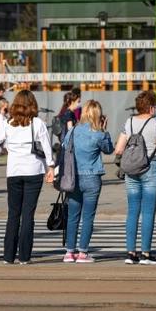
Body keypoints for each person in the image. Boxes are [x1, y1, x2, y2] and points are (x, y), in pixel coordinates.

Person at [0, 90, 54, 264]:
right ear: (33, 104)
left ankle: (8, 256)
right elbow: (47, 147)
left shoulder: (8, 123)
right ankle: (24, 256)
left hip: (14, 172)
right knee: (28, 214)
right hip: (34, 171)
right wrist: (51, 167)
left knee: (13, 214)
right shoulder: (37, 123)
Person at [115, 91, 156, 265]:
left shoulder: (129, 122)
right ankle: (145, 254)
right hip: (151, 168)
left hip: (131, 170)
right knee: (148, 212)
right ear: (152, 107)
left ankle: (130, 253)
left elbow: (118, 149)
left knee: (132, 211)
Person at [61, 100, 114, 263]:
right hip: (92, 177)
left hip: (73, 177)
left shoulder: (74, 131)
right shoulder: (99, 134)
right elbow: (109, 149)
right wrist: (105, 130)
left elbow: (64, 146)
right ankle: (83, 253)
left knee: (72, 216)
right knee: (88, 217)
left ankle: (70, 252)